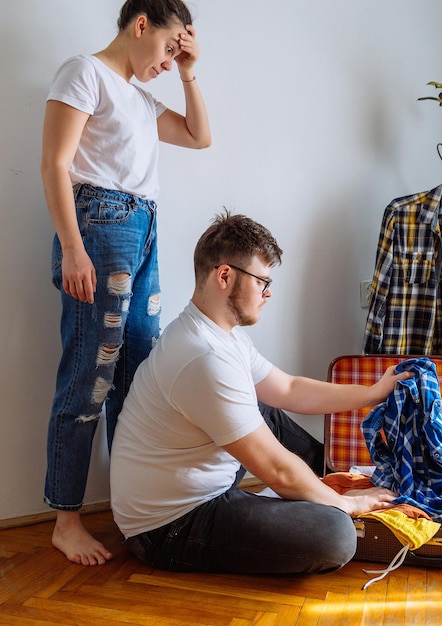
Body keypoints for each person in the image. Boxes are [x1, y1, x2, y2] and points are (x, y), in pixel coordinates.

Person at [110, 211, 410, 575]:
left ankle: (324, 484)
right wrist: (345, 506)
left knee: (264, 408)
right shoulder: (203, 357)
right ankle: (327, 496)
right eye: (262, 281)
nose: (268, 293)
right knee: (336, 535)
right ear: (225, 276)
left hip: (202, 480)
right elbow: (274, 470)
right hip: (169, 526)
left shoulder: (222, 335)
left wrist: (374, 393)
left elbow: (289, 389)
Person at [41, 0, 211, 566]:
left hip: (143, 229)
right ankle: (66, 520)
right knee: (90, 374)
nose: (167, 61)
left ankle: (132, 508)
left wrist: (188, 71)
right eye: (167, 48)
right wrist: (71, 247)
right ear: (141, 24)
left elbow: (198, 135)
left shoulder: (140, 97)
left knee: (139, 377)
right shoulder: (84, 72)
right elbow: (55, 164)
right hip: (100, 228)